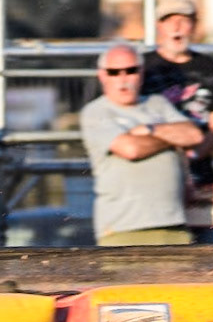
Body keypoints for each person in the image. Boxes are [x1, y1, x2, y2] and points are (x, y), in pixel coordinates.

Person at [80, 44, 205, 246]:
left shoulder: (158, 103)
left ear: (141, 72)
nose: (123, 78)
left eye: (130, 70)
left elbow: (193, 135)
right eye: (114, 72)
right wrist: (171, 137)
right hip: (123, 228)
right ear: (102, 76)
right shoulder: (96, 112)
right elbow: (131, 149)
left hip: (174, 224)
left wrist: (149, 129)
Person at [141, 0, 213, 243]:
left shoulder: (209, 68)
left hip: (200, 176)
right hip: (154, 178)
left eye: (184, 20)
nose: (177, 27)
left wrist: (189, 159)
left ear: (194, 25)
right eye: (170, 21)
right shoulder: (143, 68)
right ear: (159, 26)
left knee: (203, 258)